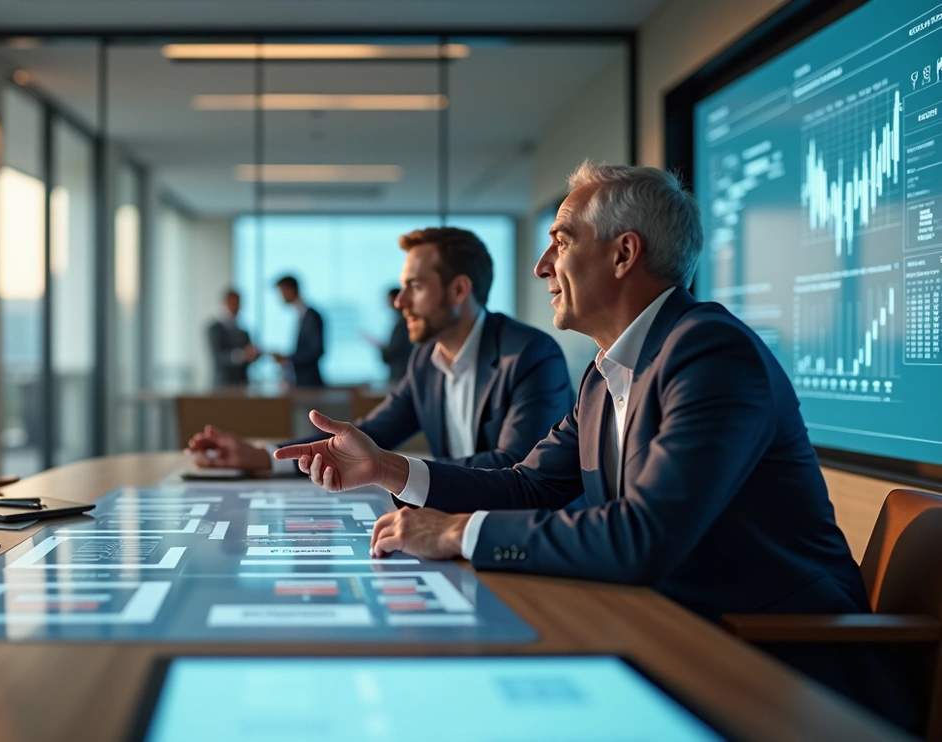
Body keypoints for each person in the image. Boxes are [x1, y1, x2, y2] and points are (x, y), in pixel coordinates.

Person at [272, 162, 916, 728]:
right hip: (676, 630)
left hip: (776, 668)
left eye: (560, 240)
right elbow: (530, 484)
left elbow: (645, 535)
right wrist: (384, 466)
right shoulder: (607, 372)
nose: (541, 266)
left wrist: (456, 533)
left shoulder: (710, 352)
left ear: (622, 254)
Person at [188, 227, 572, 475]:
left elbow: (516, 470)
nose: (400, 302)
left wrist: (387, 469)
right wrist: (264, 456)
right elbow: (368, 435)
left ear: (458, 291)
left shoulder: (530, 355)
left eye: (415, 287)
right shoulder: (426, 362)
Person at [270, 275, 324, 387]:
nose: (281, 297)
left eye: (282, 292)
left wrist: (288, 358)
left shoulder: (312, 316)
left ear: (290, 290)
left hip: (310, 383)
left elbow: (316, 351)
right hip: (299, 381)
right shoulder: (300, 315)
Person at [206, 288, 258, 386]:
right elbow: (217, 357)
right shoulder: (214, 329)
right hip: (223, 384)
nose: (235, 306)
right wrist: (240, 355)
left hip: (242, 383)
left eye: (237, 303)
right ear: (224, 303)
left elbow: (249, 359)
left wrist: (254, 354)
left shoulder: (244, 332)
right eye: (232, 302)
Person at [365, 287, 412, 383]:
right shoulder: (400, 322)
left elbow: (392, 352)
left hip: (400, 374)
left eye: (389, 299)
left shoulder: (403, 324)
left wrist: (377, 344)